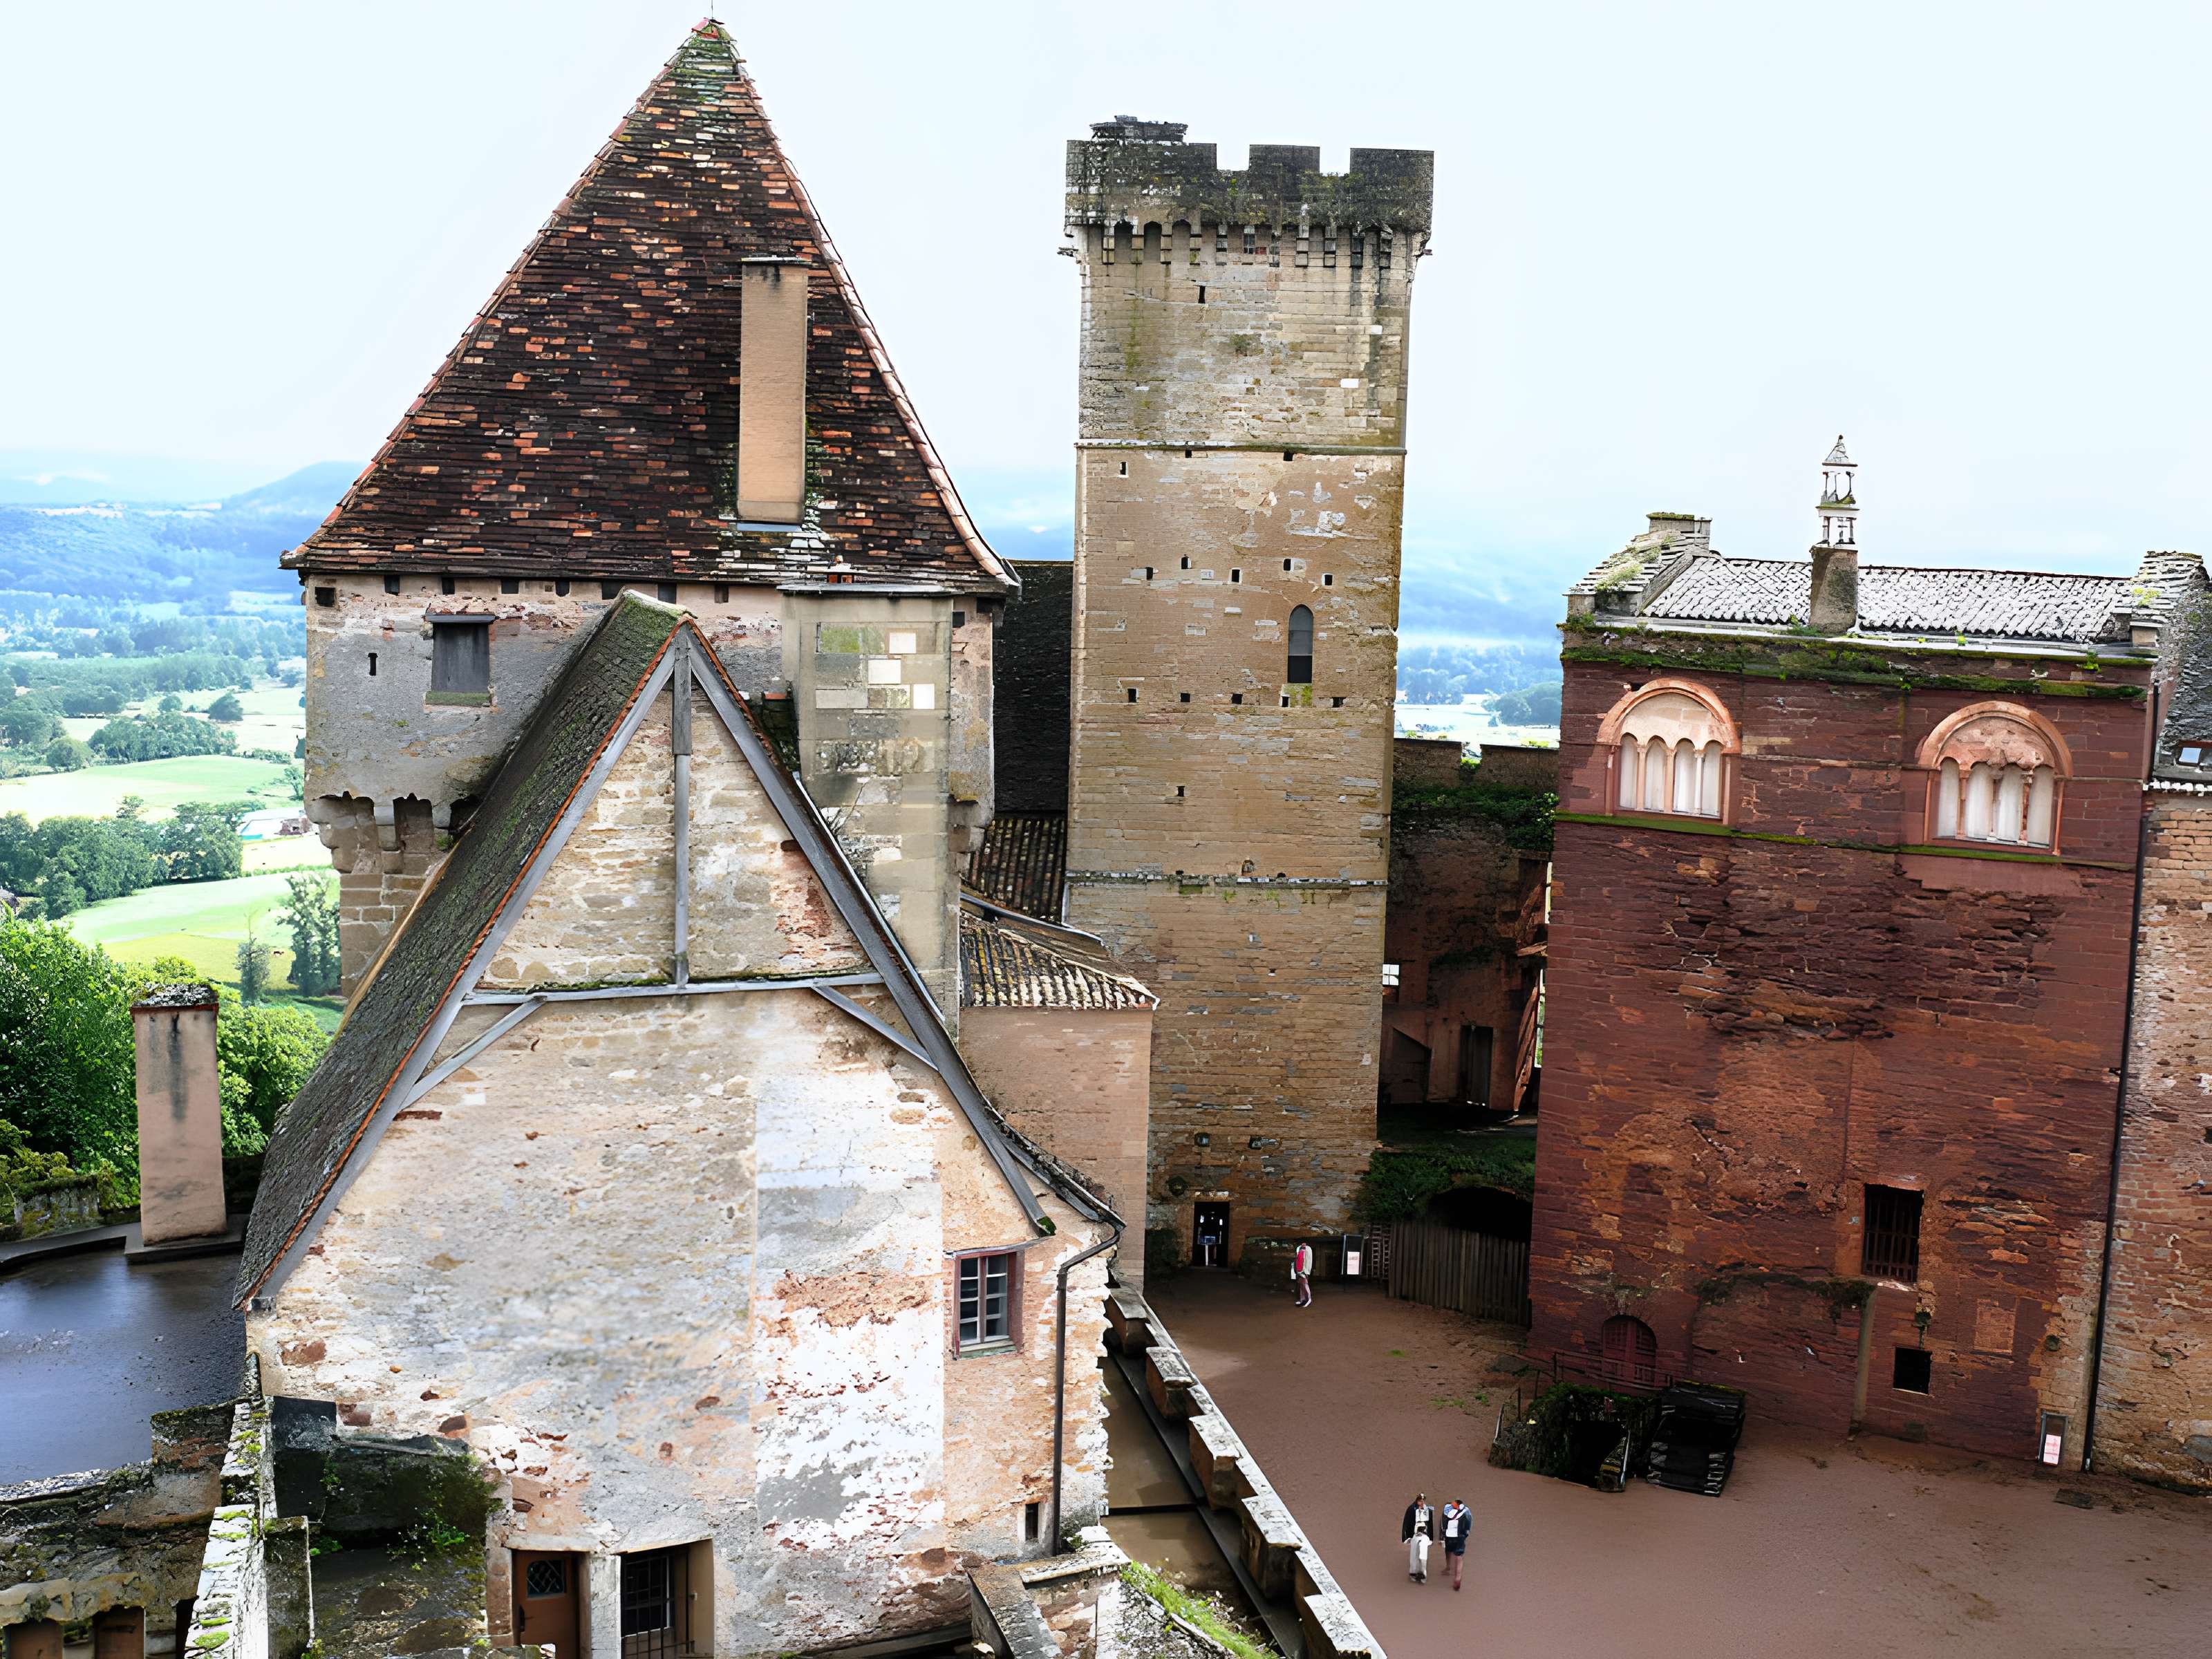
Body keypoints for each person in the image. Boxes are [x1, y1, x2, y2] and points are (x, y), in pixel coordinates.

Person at [1400, 1493, 1434, 1583]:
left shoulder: (1428, 1510)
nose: (1421, 1502)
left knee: (1423, 1552)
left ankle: (1422, 1572)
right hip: (1415, 1535)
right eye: (1420, 1500)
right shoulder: (1412, 1509)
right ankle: (1413, 1572)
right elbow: (1406, 1523)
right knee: (1414, 1552)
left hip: (1425, 1535)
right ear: (1417, 1500)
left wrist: (1431, 1538)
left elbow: (1430, 1524)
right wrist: (1406, 1537)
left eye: (1423, 1500)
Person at [1439, 1497, 1470, 1591]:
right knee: (1459, 1557)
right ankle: (1458, 1577)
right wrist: (1465, 1534)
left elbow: (1442, 1526)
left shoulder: (1446, 1514)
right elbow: (1468, 1524)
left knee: (1448, 1552)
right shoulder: (1465, 1513)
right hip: (1460, 1537)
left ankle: (1448, 1567)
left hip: (1450, 1536)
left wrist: (1442, 1538)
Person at [1291, 1241, 1313, 1308]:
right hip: (1301, 1272)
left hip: (1302, 1272)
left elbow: (1303, 1262)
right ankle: (1303, 1300)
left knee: (1304, 1286)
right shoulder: (1302, 1251)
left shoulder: (1303, 1252)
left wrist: (1303, 1272)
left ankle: (1308, 1299)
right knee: (1301, 1286)